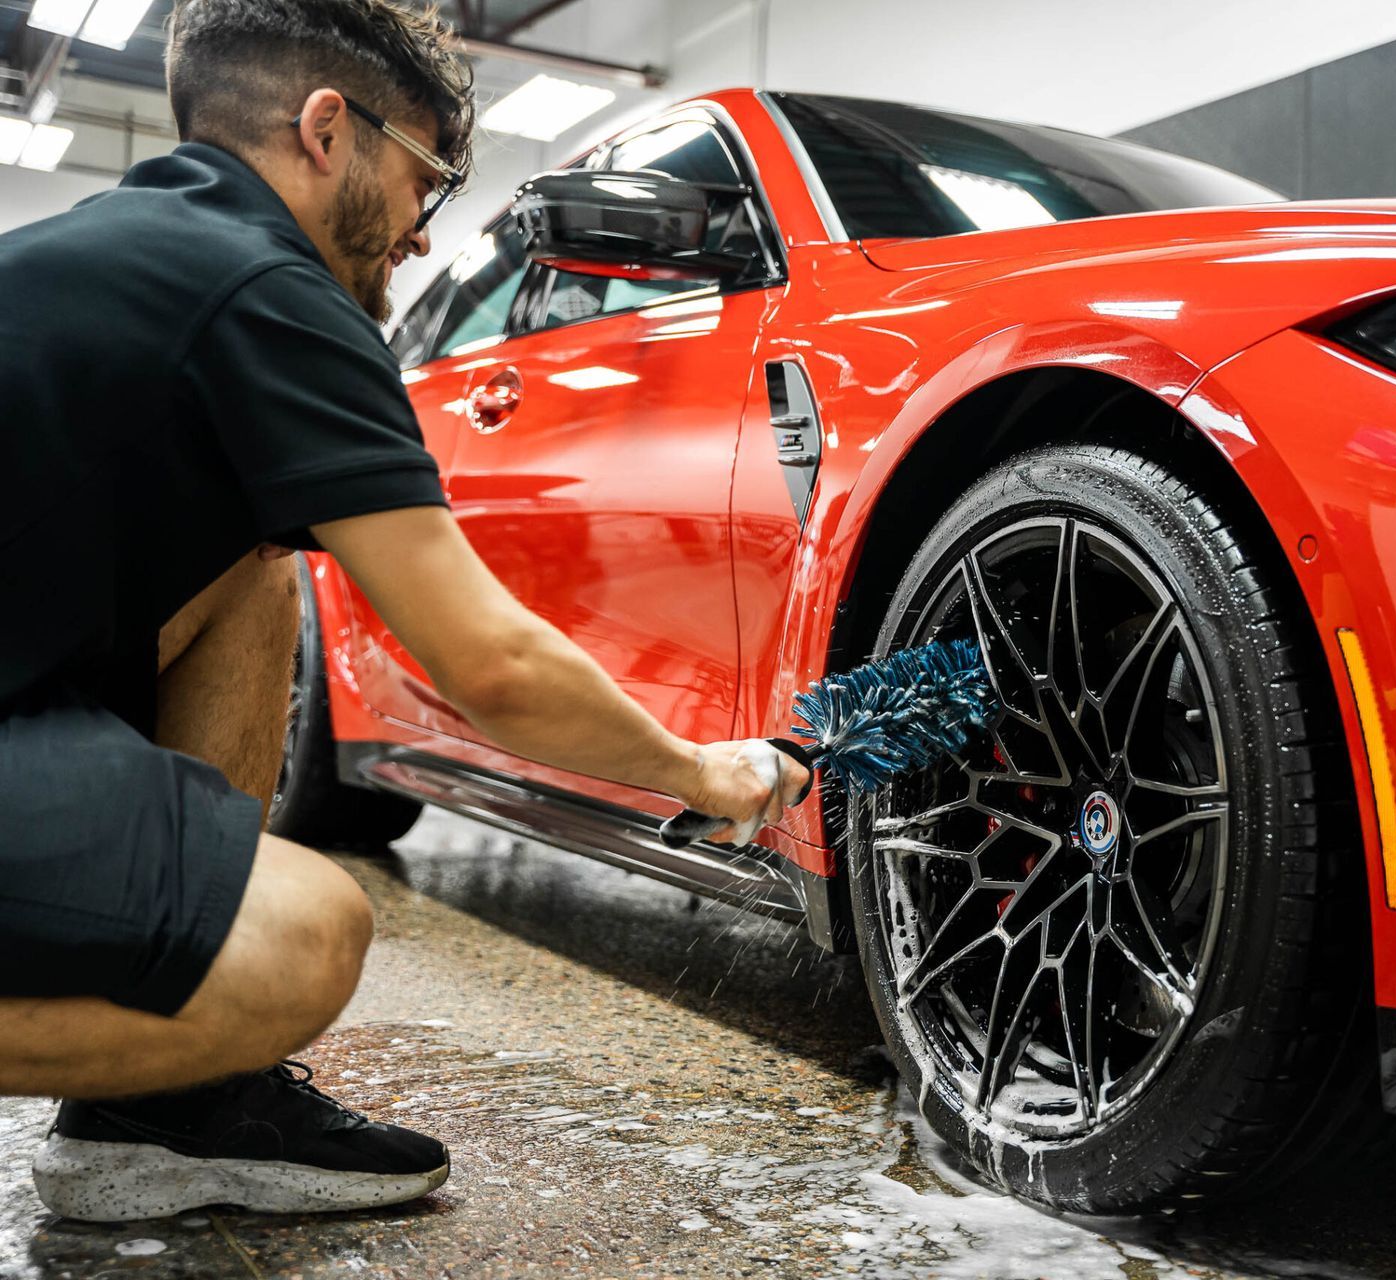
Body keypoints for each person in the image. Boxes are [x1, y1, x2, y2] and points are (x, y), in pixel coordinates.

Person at [0, 0, 807, 1223]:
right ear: (329, 130)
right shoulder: (272, 287)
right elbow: (491, 663)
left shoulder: (119, 250)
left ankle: (159, 1111)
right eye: (426, 178)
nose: (424, 240)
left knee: (261, 568)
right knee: (310, 933)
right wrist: (704, 771)